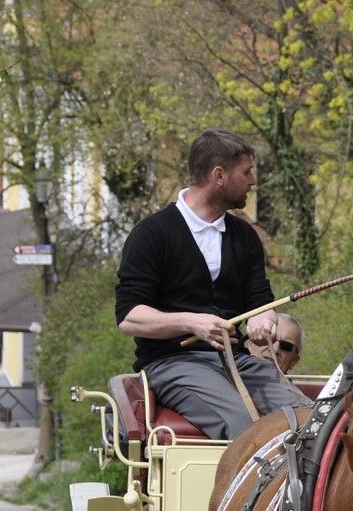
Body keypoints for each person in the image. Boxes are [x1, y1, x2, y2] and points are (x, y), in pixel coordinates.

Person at [115, 127, 299, 440]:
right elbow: (129, 317)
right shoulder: (151, 234)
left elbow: (260, 304)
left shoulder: (245, 236)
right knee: (242, 423)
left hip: (236, 361)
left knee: (310, 417)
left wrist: (261, 322)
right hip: (171, 364)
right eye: (246, 172)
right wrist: (191, 322)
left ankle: (298, 491)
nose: (253, 182)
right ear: (219, 175)